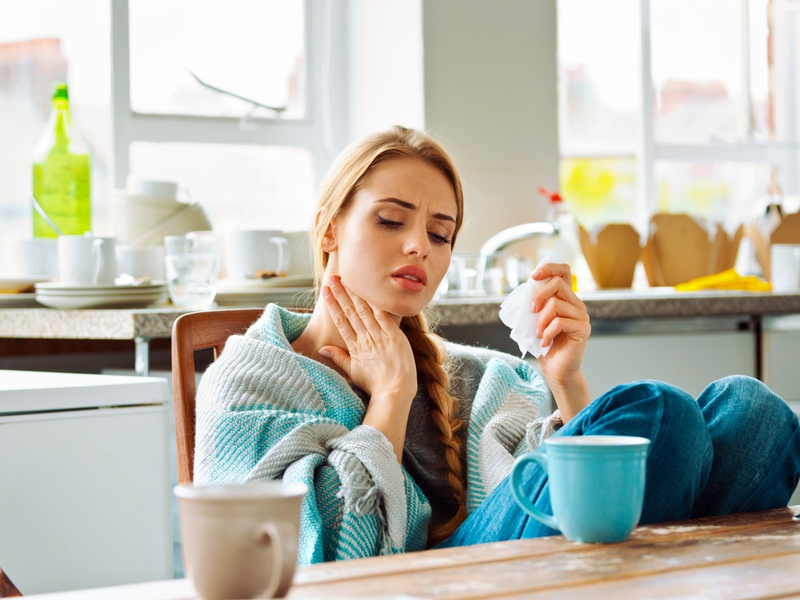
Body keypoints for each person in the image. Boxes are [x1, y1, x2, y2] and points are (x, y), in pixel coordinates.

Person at [194, 126, 800, 564]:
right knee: (660, 411)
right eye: (390, 220)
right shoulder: (250, 375)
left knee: (757, 414)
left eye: (440, 233)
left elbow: (535, 486)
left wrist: (565, 380)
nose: (419, 248)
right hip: (424, 583)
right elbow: (318, 557)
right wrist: (391, 397)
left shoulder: (473, 376)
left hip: (526, 559)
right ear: (329, 228)